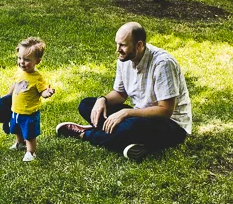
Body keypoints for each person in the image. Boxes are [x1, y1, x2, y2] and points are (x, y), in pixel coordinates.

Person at [55, 22, 191, 162]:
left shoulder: (163, 64)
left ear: (139, 45)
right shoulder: (125, 58)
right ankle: (130, 139)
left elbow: (165, 110)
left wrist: (126, 113)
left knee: (131, 126)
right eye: (117, 44)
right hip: (140, 116)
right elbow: (120, 94)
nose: (117, 49)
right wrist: (102, 100)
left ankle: (86, 134)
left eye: (123, 45)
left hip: (171, 125)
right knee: (87, 105)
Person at [3, 37, 54, 161]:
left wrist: (46, 93)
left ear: (37, 61)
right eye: (19, 58)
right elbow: (15, 84)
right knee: (17, 129)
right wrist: (7, 96)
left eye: (26, 60)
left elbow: (42, 90)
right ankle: (19, 143)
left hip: (29, 113)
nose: (21, 62)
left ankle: (31, 152)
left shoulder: (37, 78)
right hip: (16, 110)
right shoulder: (20, 72)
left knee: (29, 134)